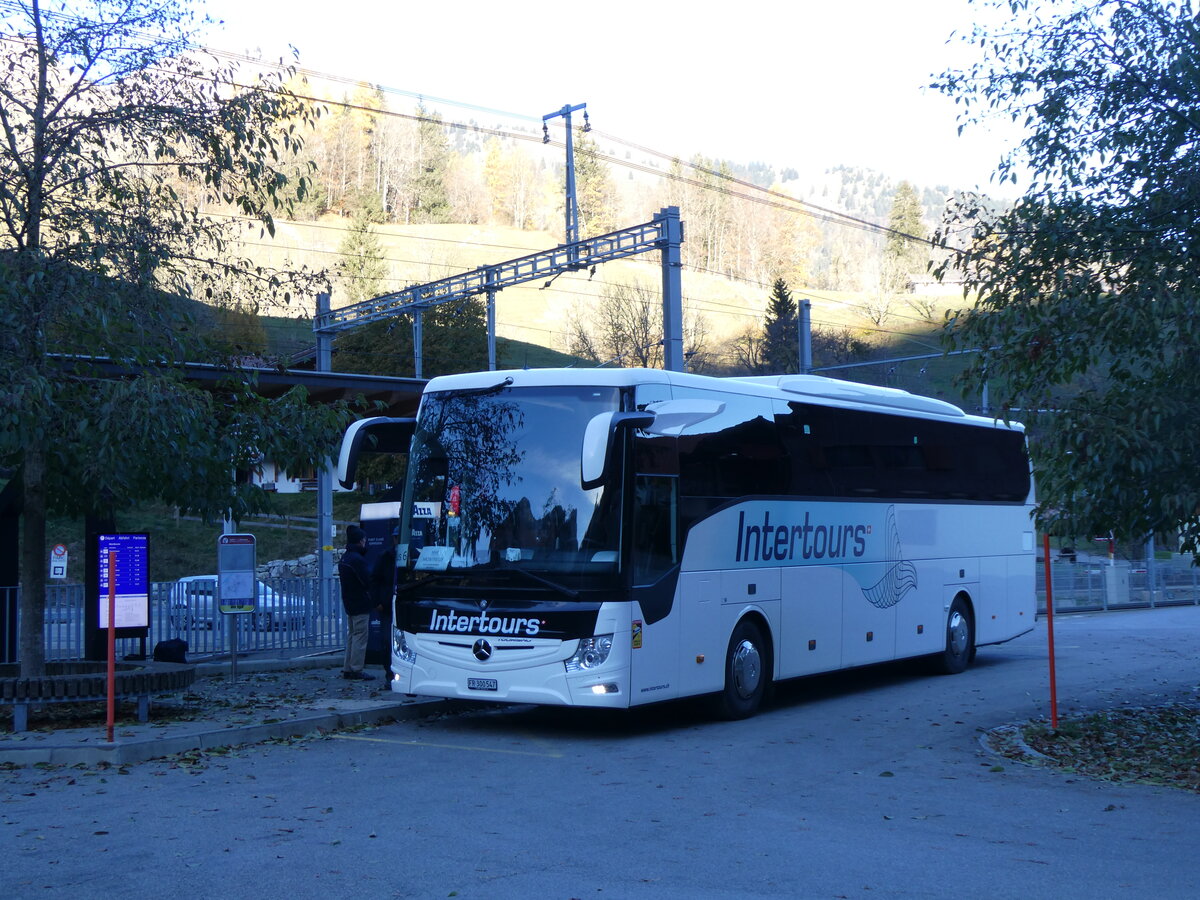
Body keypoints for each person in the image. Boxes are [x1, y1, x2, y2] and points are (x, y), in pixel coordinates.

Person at [337, 524, 375, 681]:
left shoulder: (345, 558)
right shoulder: (357, 560)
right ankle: (356, 669)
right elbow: (368, 581)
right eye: (364, 540)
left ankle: (348, 667)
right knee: (360, 636)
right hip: (360, 602)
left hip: (349, 602)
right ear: (360, 541)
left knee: (352, 635)